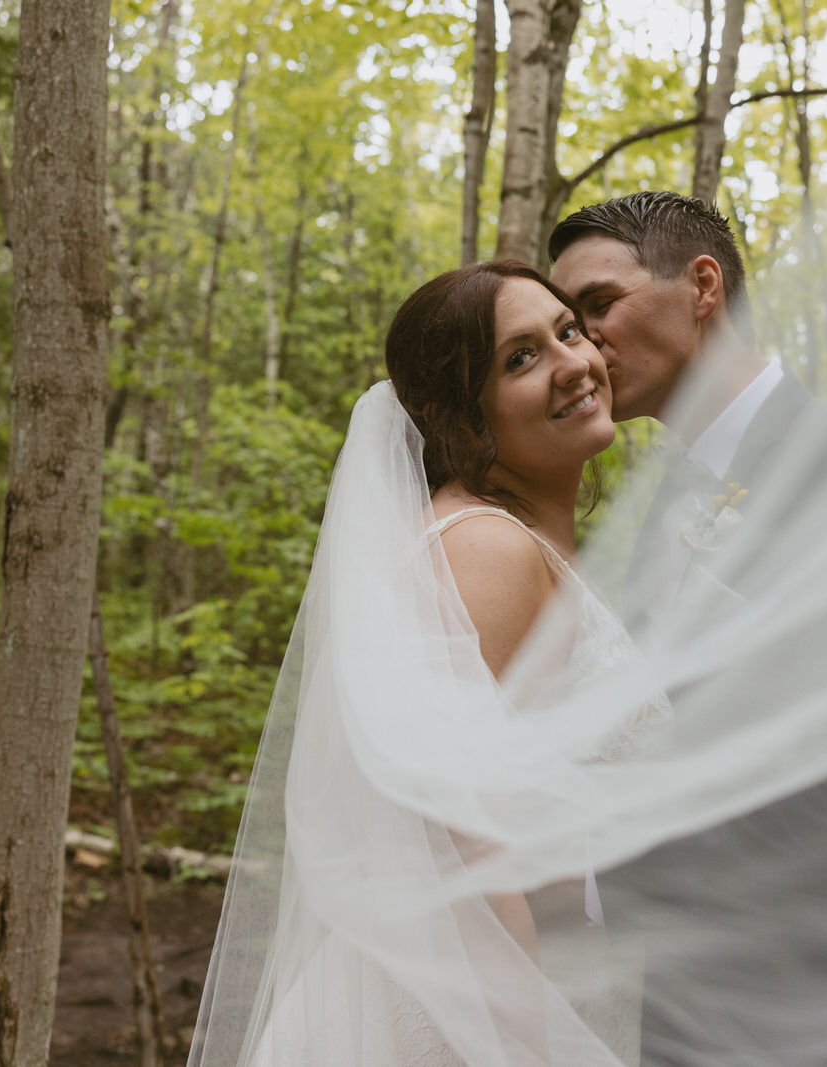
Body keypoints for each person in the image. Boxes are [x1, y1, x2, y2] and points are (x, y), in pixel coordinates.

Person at [549, 191, 827, 1065]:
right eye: (569, 321)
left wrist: (590, 866)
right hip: (699, 1001)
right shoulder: (671, 495)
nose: (583, 345)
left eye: (598, 306)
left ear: (702, 285)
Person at [187, 260, 656, 1066]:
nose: (573, 363)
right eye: (520, 358)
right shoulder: (487, 548)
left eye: (567, 331)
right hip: (458, 1013)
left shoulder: (520, 542)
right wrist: (520, 1047)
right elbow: (463, 842)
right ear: (462, 417)